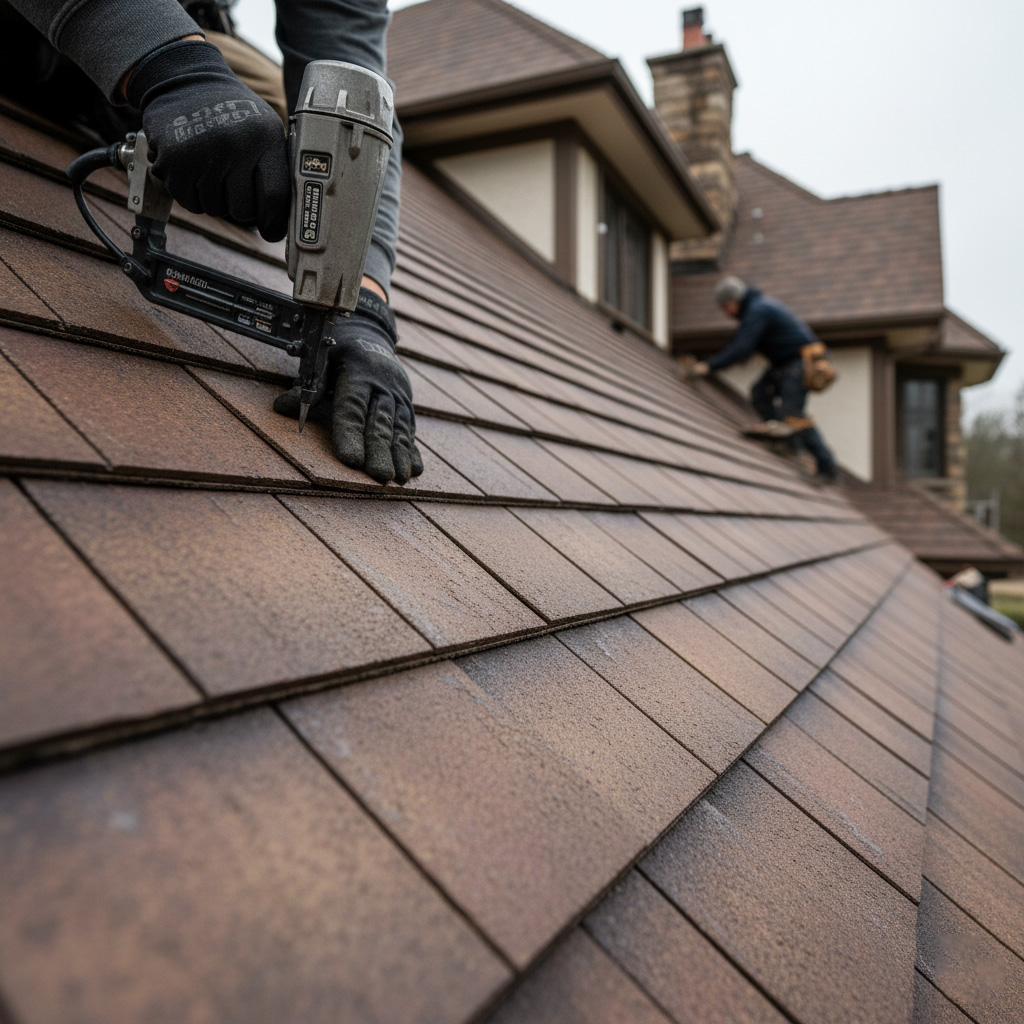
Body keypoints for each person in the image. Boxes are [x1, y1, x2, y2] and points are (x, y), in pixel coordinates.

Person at [0, 0, 422, 486]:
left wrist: (361, 304)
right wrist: (177, 70)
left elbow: (359, 100)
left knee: (292, 139)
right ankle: (127, 62)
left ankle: (120, 72)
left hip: (182, 20)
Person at [689, 276, 838, 483]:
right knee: (760, 393)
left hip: (798, 362)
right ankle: (784, 441)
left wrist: (708, 366)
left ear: (733, 301)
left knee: (793, 416)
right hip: (784, 363)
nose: (725, 313)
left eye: (725, 307)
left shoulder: (758, 310)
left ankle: (826, 468)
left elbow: (742, 348)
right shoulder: (757, 308)